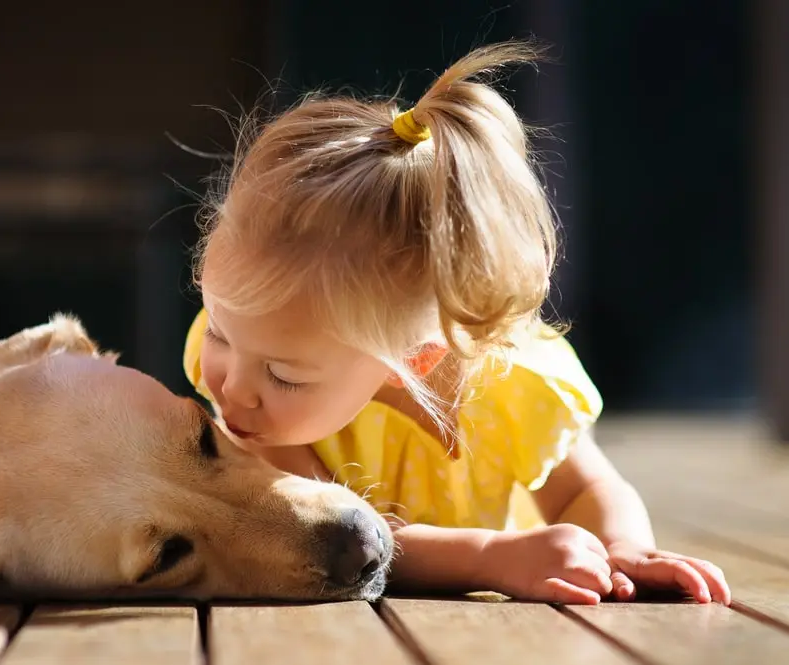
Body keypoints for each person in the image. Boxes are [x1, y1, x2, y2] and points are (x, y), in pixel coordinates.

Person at [180, 41, 730, 605]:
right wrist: (489, 558)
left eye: (283, 375)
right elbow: (335, 540)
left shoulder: (518, 385)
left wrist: (622, 549)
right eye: (220, 332)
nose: (230, 385)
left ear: (413, 360)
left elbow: (587, 489)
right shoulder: (265, 419)